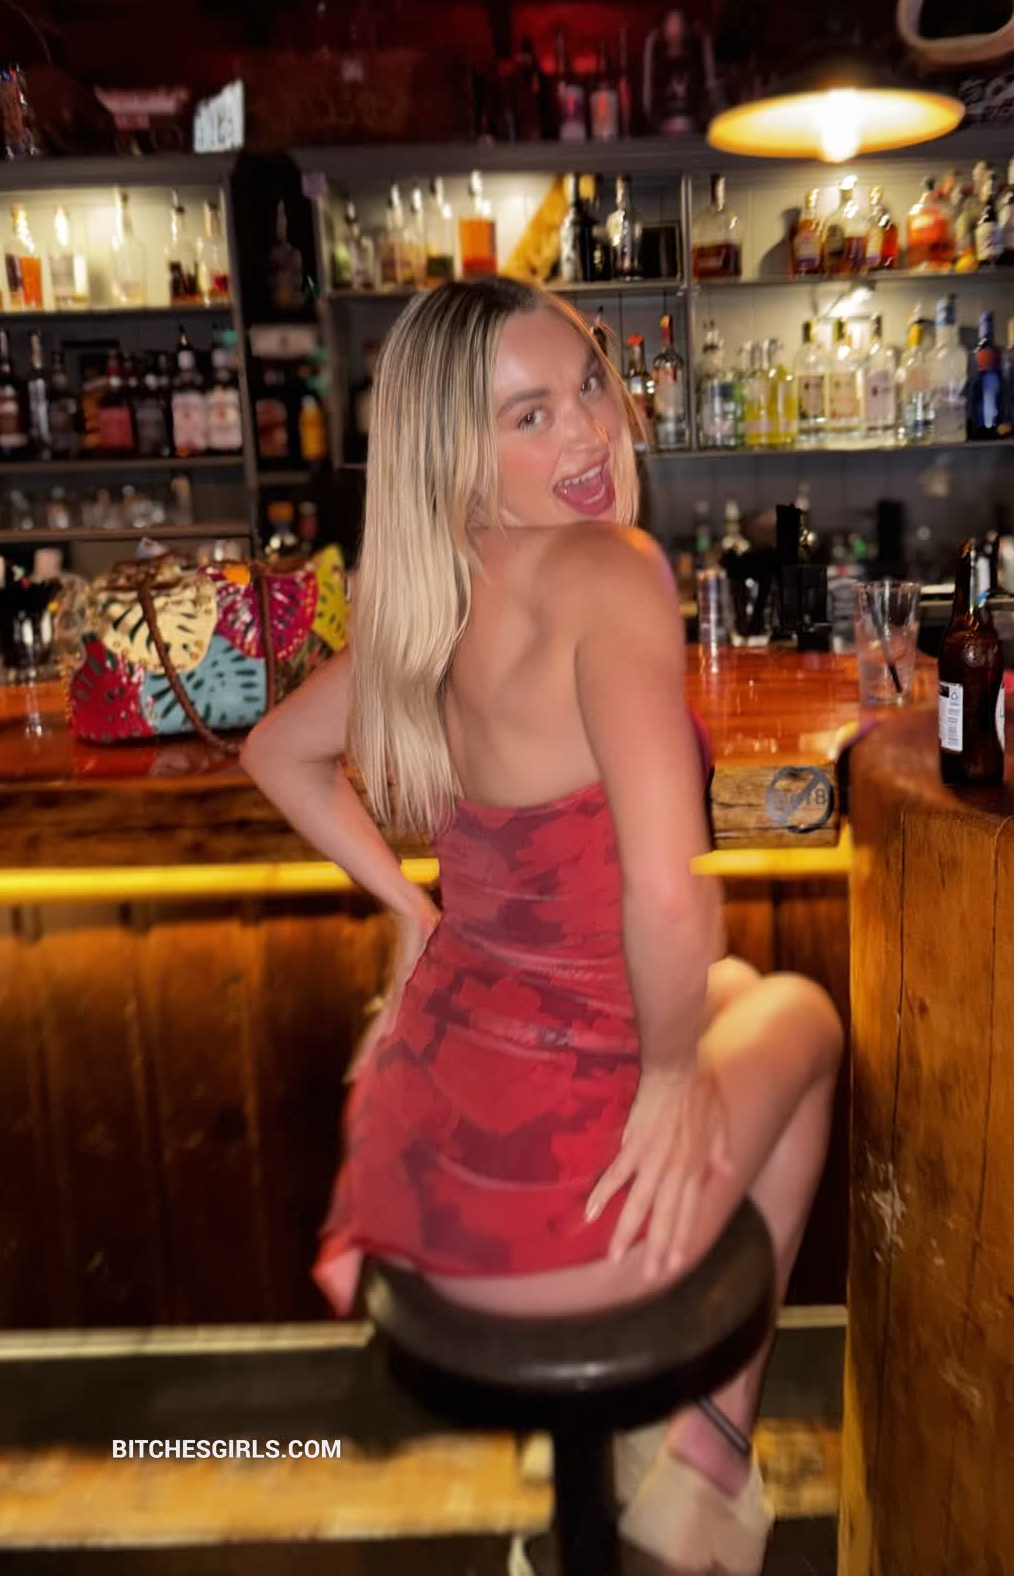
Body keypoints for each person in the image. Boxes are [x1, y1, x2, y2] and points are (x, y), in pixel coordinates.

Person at [240, 277, 843, 1575]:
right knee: (804, 1019)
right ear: (454, 455)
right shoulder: (610, 571)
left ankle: (640, 1469)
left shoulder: (429, 597)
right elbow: (667, 891)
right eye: (530, 414)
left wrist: (411, 910)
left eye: (588, 386)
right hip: (559, 1231)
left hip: (421, 1170)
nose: (587, 430)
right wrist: (670, 1078)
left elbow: (276, 753)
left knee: (737, 988)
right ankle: (701, 1470)